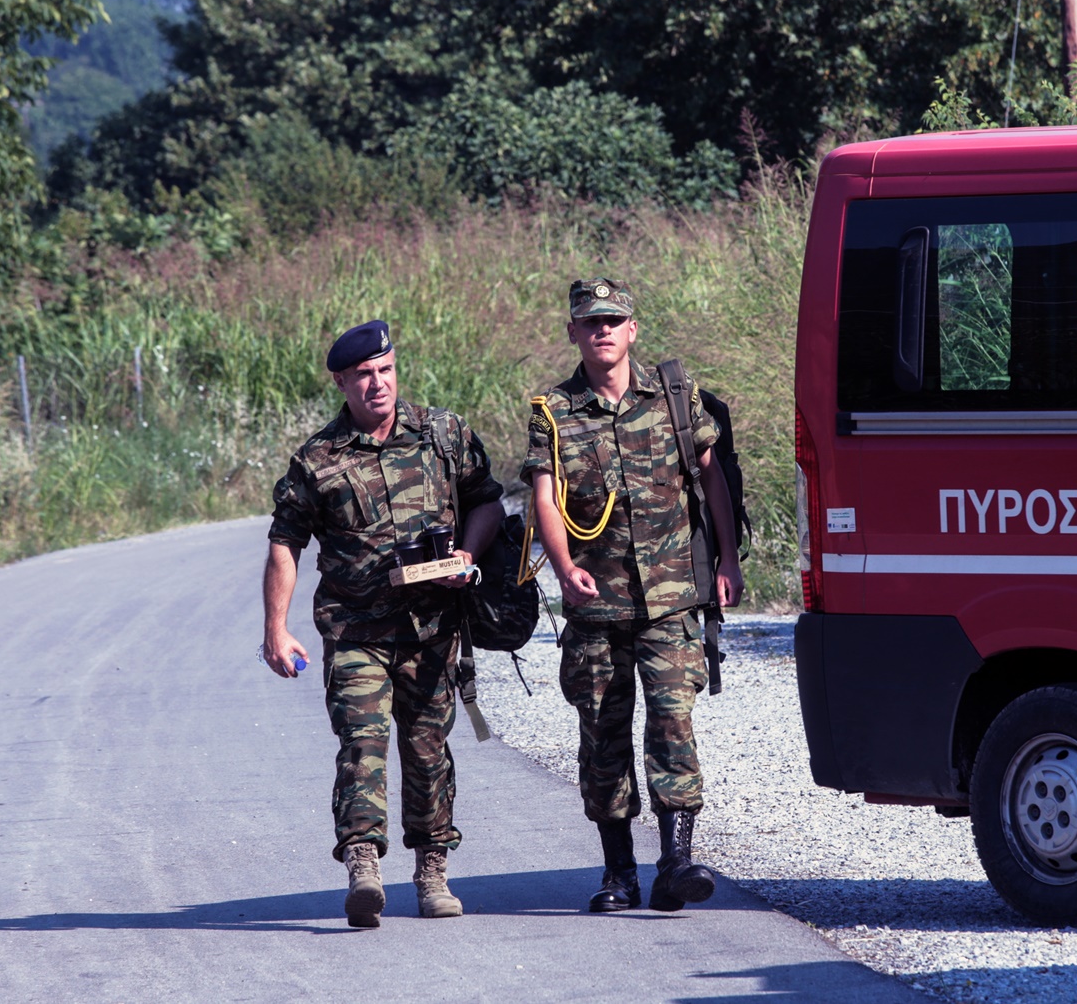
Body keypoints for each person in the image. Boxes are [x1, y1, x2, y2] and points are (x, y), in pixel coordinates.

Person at [261, 320, 504, 928]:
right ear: (342, 381)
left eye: (386, 371)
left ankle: (432, 874)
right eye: (364, 375)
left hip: (432, 630)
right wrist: (276, 627)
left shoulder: (444, 435)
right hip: (355, 633)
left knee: (428, 752)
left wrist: (467, 557)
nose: (377, 384)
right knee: (362, 746)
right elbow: (284, 542)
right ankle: (364, 866)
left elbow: (487, 500)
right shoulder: (318, 459)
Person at [523, 278, 743, 913]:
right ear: (573, 333)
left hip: (671, 595)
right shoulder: (554, 412)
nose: (604, 331)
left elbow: (712, 478)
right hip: (596, 605)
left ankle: (677, 860)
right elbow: (545, 495)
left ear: (632, 329)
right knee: (603, 735)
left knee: (673, 723)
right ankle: (618, 871)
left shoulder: (675, 399)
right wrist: (562, 567)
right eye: (591, 322)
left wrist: (727, 559)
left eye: (614, 320)